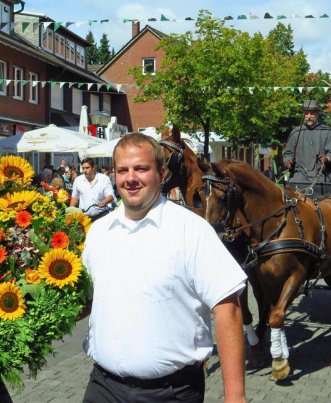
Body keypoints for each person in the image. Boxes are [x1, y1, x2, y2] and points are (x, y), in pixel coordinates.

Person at [81, 132, 247, 403]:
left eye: (141, 169)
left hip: (169, 393)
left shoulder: (190, 230)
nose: (130, 178)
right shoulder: (99, 232)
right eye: (122, 170)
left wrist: (235, 396)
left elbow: (227, 308)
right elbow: (92, 299)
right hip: (102, 387)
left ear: (161, 172)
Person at [283, 99, 331, 183]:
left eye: (312, 113)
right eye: (306, 113)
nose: (309, 116)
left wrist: (327, 158)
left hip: (322, 174)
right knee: (292, 191)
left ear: (317, 114)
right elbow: (288, 153)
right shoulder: (296, 133)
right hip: (299, 174)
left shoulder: (327, 132)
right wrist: (288, 161)